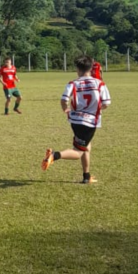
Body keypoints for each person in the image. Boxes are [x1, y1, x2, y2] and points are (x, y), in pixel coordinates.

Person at [42, 55, 111, 184]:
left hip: (75, 120)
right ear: (91, 68)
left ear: (77, 69)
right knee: (79, 151)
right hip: (89, 122)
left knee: (86, 147)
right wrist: (96, 109)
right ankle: (54, 156)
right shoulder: (99, 83)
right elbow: (106, 103)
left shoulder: (73, 83)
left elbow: (64, 100)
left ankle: (86, 176)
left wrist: (65, 109)